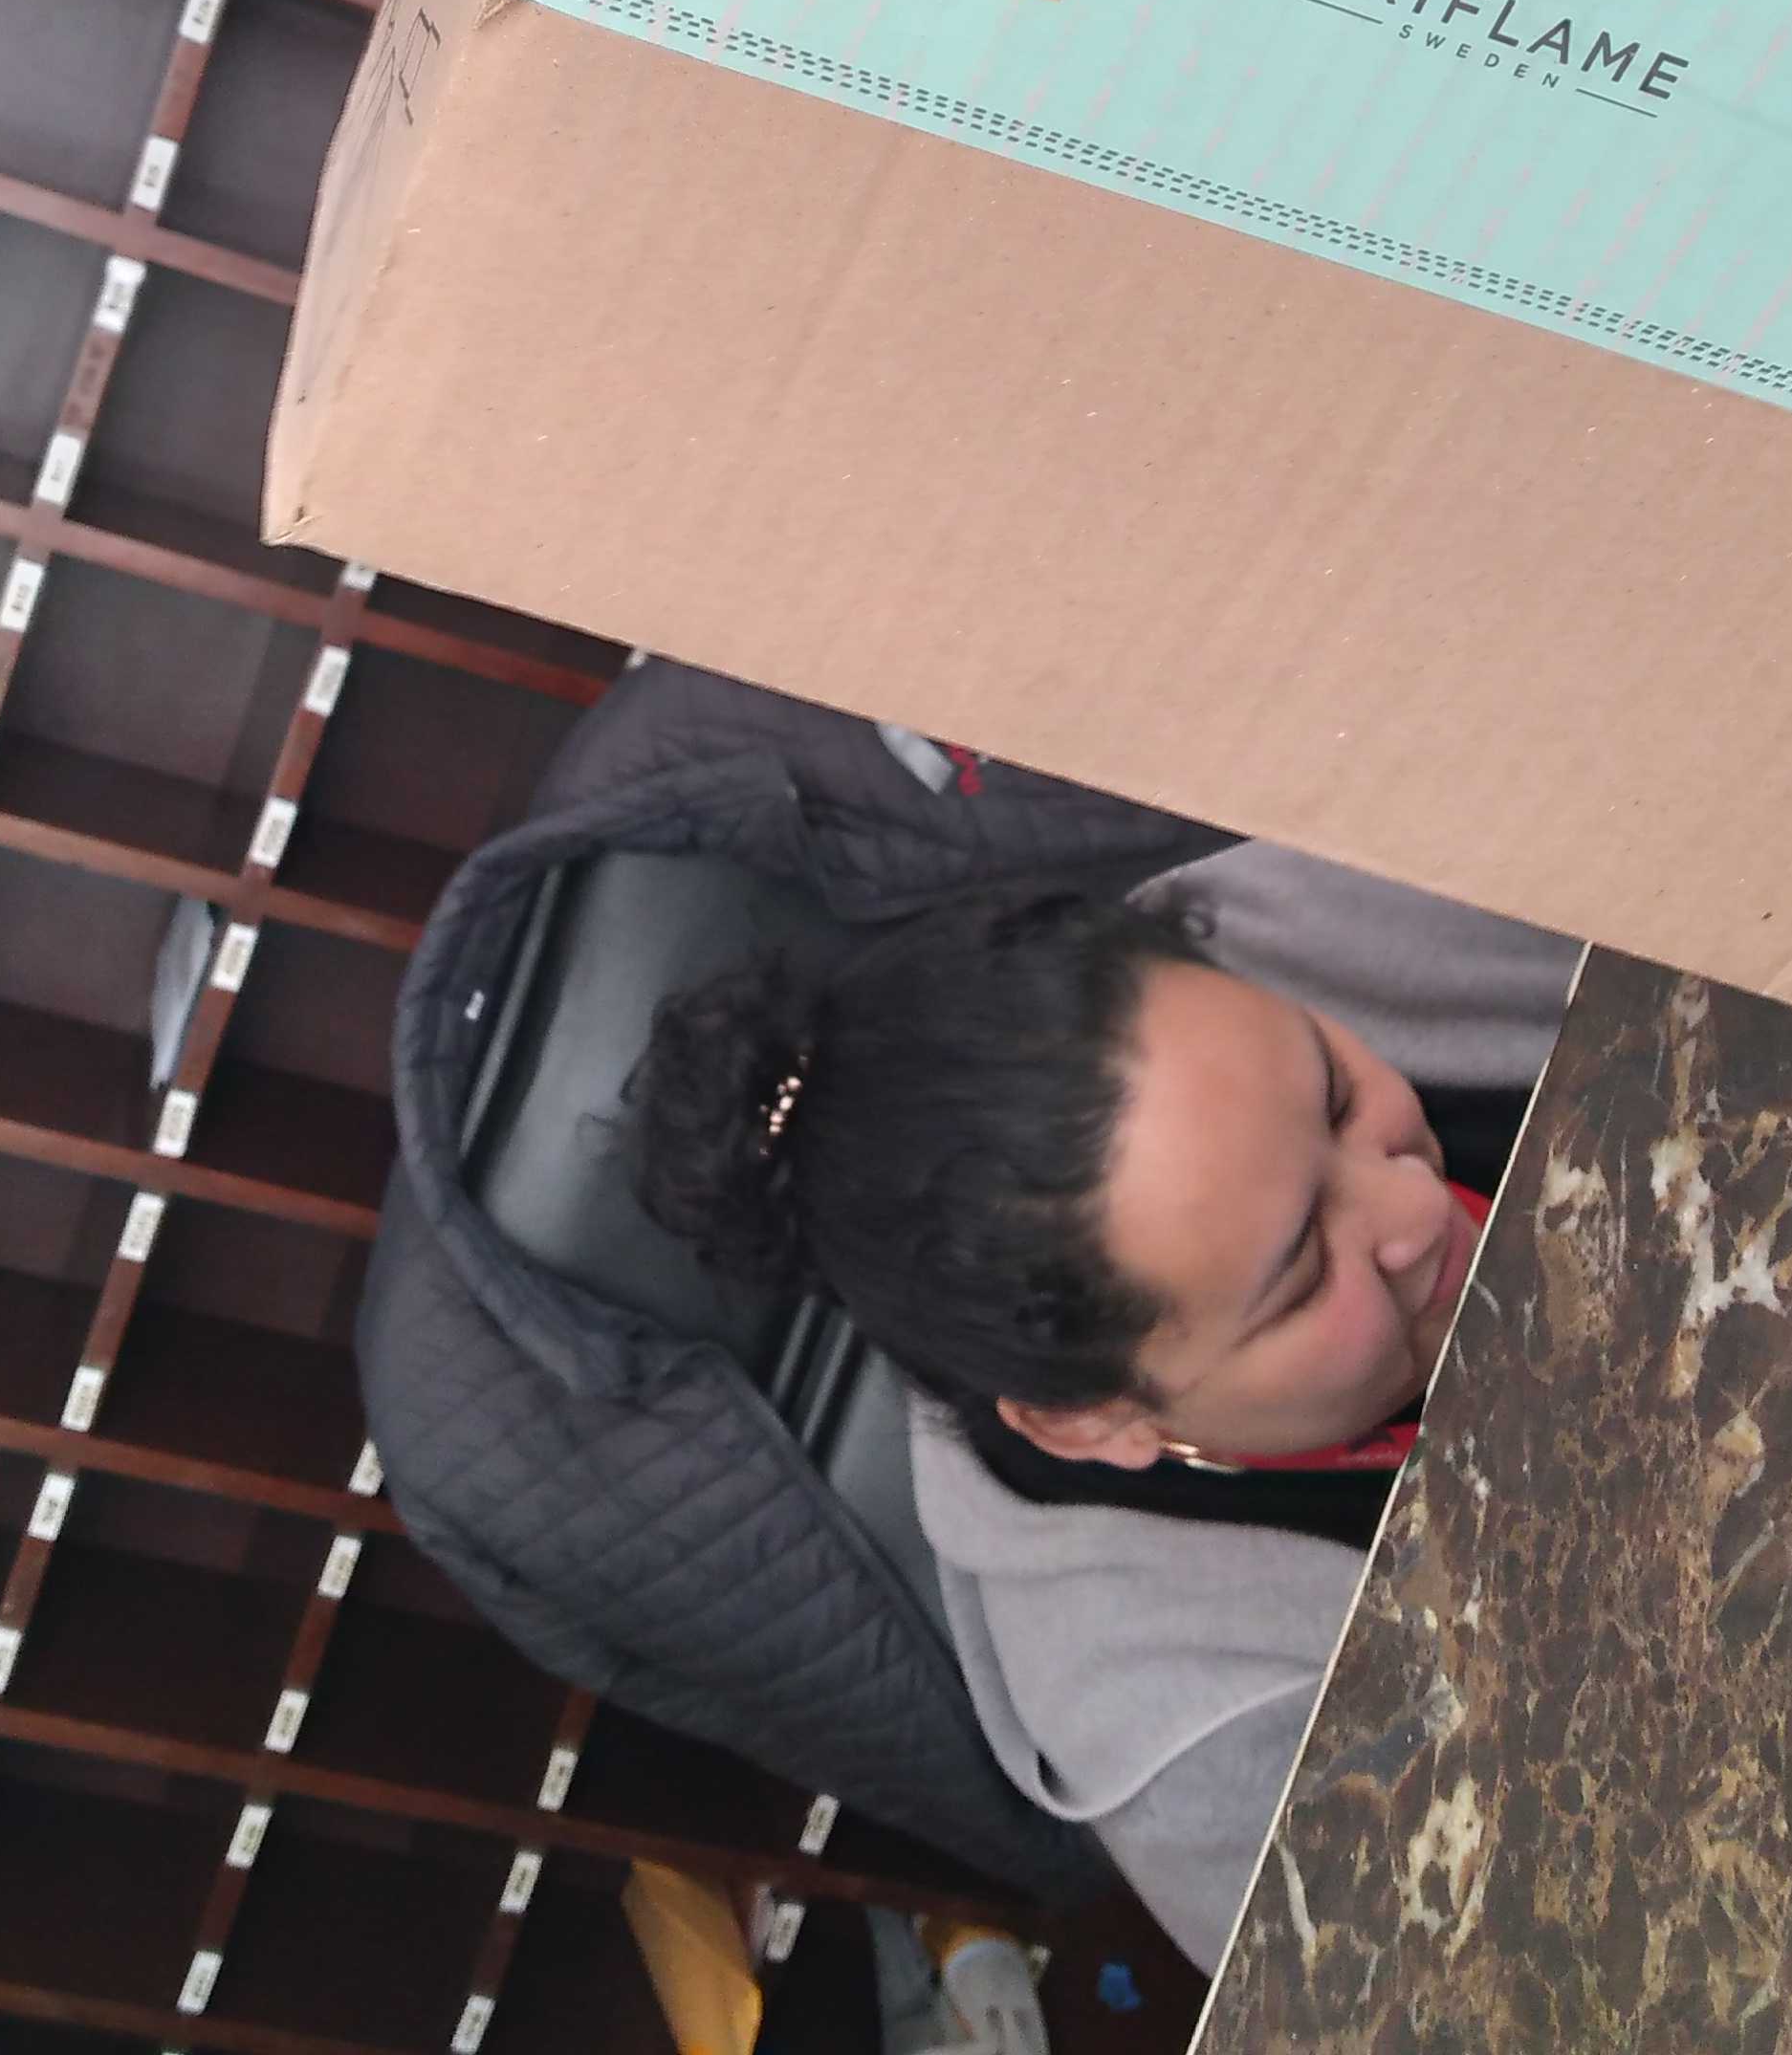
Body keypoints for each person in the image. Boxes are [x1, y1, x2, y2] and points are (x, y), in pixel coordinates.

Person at [632, 837, 1580, 1971]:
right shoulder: (1217, 1751)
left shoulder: (1268, 931)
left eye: (1334, 1096)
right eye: (1301, 1275)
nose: (1415, 1207)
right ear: (1091, 1419)